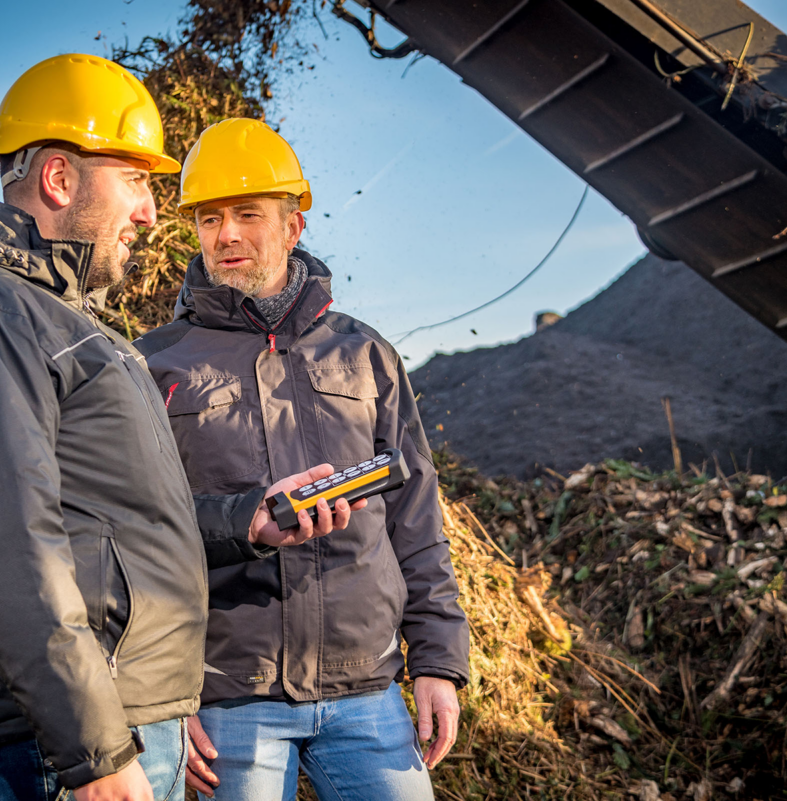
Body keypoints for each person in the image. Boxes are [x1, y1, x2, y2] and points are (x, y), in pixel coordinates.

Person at [0, 58, 362, 801]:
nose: (151, 212)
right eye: (138, 180)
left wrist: (252, 518)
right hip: (66, 750)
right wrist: (96, 753)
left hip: (129, 723)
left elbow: (122, 527)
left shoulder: (66, 321)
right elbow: (8, 545)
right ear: (57, 179)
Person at [136, 118, 471, 801]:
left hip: (368, 689)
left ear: (293, 224)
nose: (226, 234)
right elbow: (138, 536)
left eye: (248, 214)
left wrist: (437, 661)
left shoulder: (365, 353)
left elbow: (416, 519)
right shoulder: (152, 364)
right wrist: (163, 700)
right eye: (208, 218)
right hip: (229, 694)